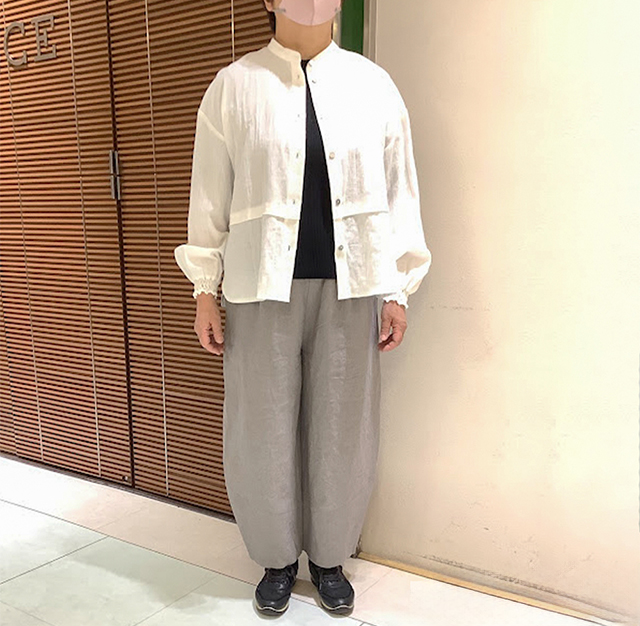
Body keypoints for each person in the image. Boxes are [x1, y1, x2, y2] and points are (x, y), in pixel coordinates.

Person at [174, 0, 432, 616]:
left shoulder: (373, 85)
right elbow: (209, 191)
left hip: (353, 285)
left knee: (344, 427)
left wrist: (398, 289)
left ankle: (330, 558)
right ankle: (276, 558)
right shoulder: (234, 86)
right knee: (260, 427)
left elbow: (399, 191)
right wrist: (204, 287)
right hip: (260, 287)